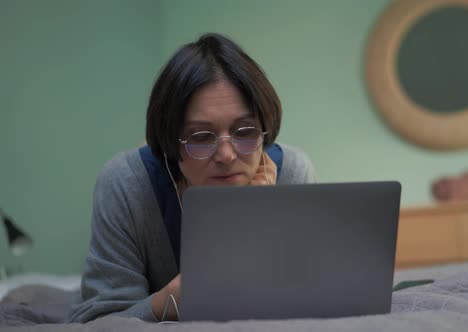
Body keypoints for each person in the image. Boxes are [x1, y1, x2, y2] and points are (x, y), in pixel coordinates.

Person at [66, 33, 317, 323]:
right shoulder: (125, 183)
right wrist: (172, 298)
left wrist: (255, 218)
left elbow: (306, 296)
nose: (226, 155)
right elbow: (99, 320)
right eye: (201, 136)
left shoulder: (293, 172)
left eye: (245, 131)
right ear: (171, 144)